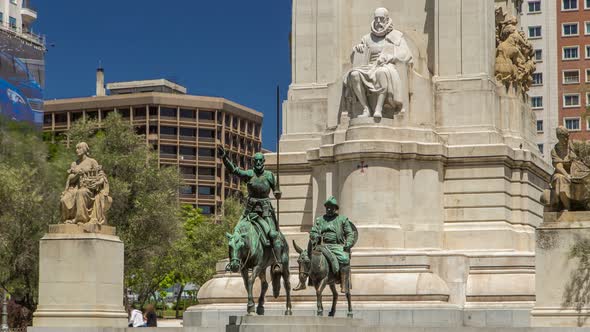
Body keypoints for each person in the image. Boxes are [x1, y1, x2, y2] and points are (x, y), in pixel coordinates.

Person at [218, 146, 284, 273]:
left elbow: (276, 191)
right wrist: (225, 158)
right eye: (256, 161)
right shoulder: (249, 174)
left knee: (273, 235)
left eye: (260, 161)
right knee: (235, 234)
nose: (258, 163)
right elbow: (234, 170)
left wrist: (277, 193)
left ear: (263, 162)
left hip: (265, 211)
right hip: (250, 210)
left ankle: (278, 262)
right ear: (253, 162)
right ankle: (234, 261)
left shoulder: (270, 175)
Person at [344, 7, 413, 118]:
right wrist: (357, 48)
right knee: (354, 74)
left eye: (381, 19)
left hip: (386, 66)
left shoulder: (396, 36)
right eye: (376, 19)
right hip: (369, 66)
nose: (378, 22)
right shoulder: (367, 38)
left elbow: (406, 55)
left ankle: (378, 108)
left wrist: (390, 57)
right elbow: (355, 57)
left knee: (382, 72)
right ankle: (366, 108)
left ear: (387, 19)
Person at [295, 196, 356, 293]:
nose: (328, 209)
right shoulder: (320, 220)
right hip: (322, 245)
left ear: (335, 208)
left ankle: (344, 283)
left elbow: (350, 234)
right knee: (305, 257)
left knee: (344, 258)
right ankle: (302, 282)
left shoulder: (343, 219)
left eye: (331, 207)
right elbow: (313, 232)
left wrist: (348, 243)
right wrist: (315, 237)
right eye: (327, 207)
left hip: (337, 246)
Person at [60, 142, 112, 224]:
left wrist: (98, 183)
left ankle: (81, 219)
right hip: (75, 188)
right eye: (76, 148)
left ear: (84, 149)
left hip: (89, 189)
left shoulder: (92, 161)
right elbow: (71, 179)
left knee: (81, 193)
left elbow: (101, 175)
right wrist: (78, 174)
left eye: (79, 148)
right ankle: (66, 219)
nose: (77, 150)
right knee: (64, 199)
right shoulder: (74, 164)